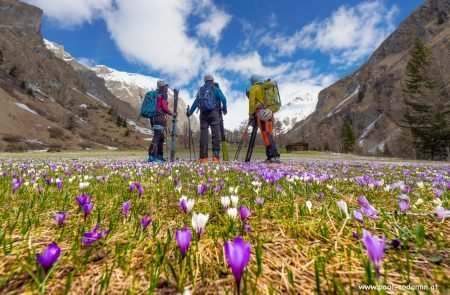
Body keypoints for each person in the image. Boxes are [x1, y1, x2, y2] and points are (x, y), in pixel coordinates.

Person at [187, 74, 227, 162]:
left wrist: (190, 113)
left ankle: (203, 157)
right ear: (212, 81)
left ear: (205, 81)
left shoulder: (201, 90)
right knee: (216, 134)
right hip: (214, 113)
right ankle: (215, 157)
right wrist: (224, 108)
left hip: (203, 114)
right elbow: (223, 99)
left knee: (204, 135)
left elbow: (196, 102)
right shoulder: (216, 89)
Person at [248, 74, 280, 163]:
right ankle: (274, 155)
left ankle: (271, 157)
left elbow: (251, 103)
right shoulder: (264, 87)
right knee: (269, 133)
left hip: (261, 112)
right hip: (269, 112)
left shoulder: (254, 88)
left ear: (253, 81)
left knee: (265, 134)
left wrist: (250, 114)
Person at [148, 79, 175, 163]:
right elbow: (164, 107)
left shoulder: (155, 94)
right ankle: (152, 157)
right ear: (163, 86)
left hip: (153, 117)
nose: (167, 87)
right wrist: (172, 113)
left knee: (160, 137)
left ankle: (159, 156)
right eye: (166, 86)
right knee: (157, 136)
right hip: (159, 117)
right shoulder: (163, 94)